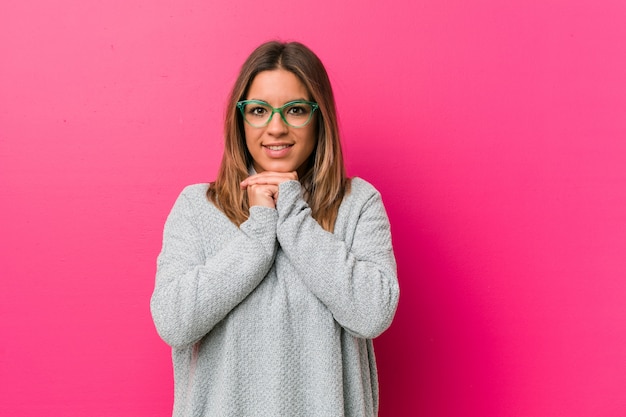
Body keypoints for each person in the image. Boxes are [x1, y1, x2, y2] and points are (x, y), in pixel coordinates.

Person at [150, 40, 399, 417]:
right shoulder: (197, 207)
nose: (276, 127)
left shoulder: (358, 203)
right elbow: (173, 322)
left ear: (319, 117)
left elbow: (372, 313)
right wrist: (258, 233)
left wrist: (294, 215)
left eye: (296, 110)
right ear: (240, 118)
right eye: (259, 110)